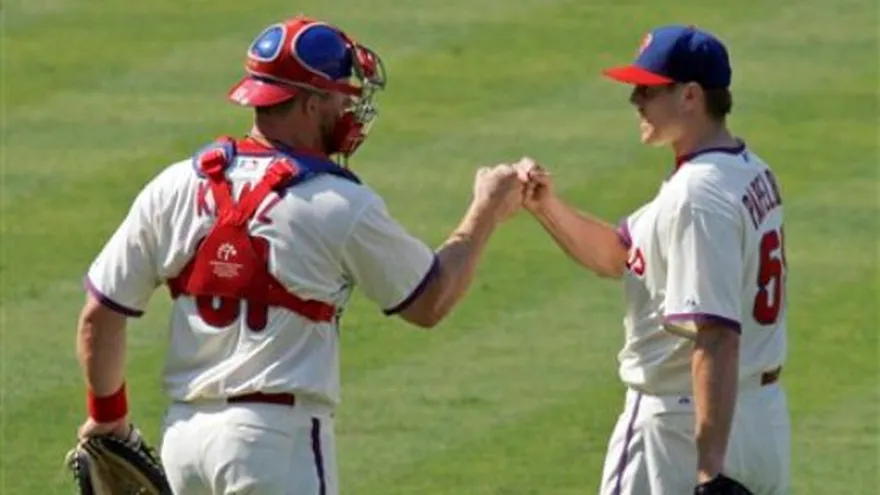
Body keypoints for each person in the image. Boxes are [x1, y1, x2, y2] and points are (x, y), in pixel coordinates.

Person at [74, 14, 523, 495]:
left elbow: (99, 316)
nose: (351, 108)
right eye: (341, 95)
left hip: (183, 443)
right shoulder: (337, 202)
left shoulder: (176, 185)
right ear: (311, 104)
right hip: (275, 446)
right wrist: (486, 209)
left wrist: (108, 419)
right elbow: (429, 299)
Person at [516, 25, 790, 494]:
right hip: (758, 422)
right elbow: (621, 255)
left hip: (684, 429)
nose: (635, 101)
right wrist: (546, 206)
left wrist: (708, 472)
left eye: (647, 89)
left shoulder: (695, 196)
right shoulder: (747, 169)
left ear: (690, 96)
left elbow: (717, 335)